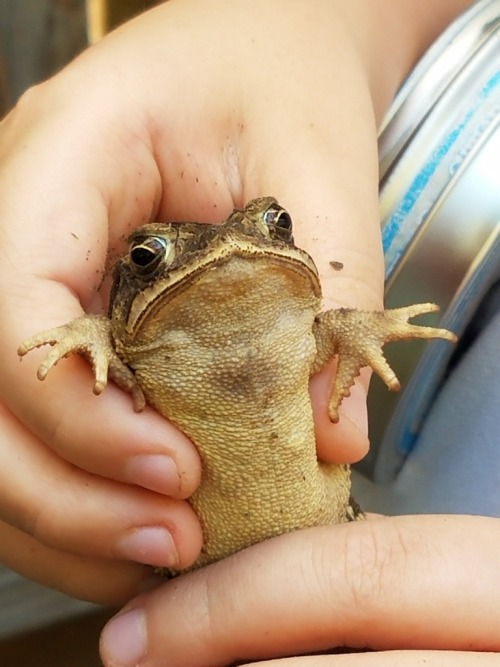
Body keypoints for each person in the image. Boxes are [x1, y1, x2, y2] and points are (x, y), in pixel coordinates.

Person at [0, 0, 498, 665]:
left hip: (357, 551)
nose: (235, 254)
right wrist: (312, 22)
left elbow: (342, 323)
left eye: (277, 230)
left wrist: (365, 325)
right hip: (199, 571)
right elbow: (94, 340)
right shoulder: (132, 347)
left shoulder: (308, 326)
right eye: (147, 257)